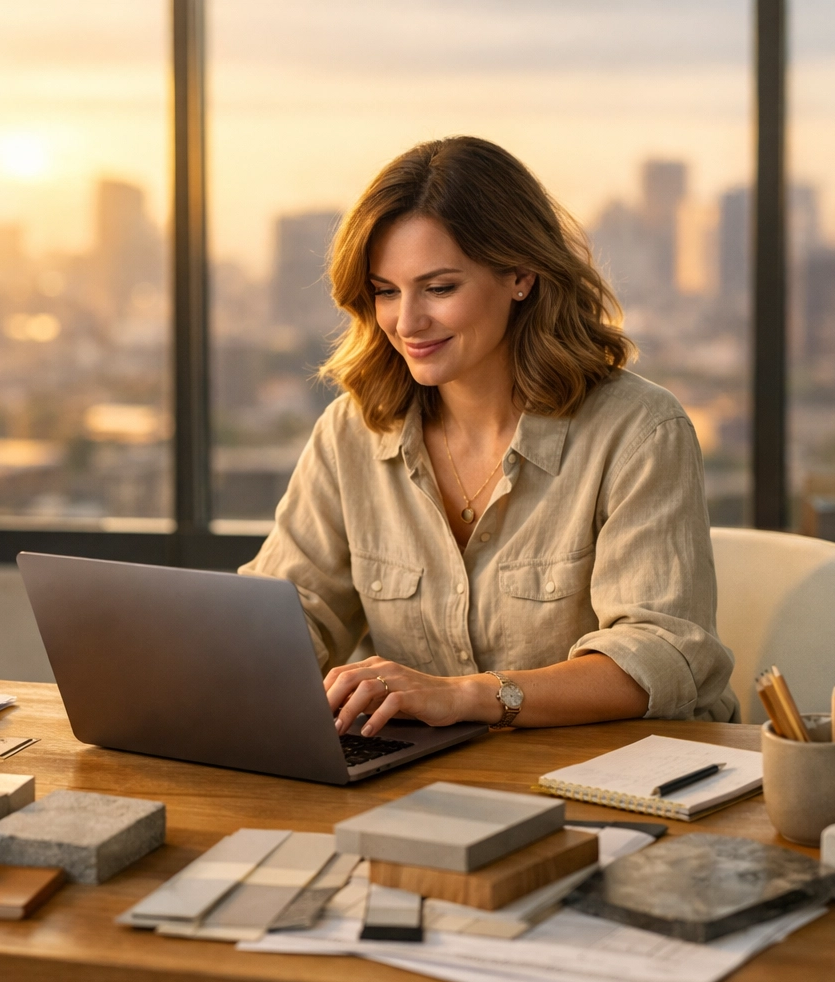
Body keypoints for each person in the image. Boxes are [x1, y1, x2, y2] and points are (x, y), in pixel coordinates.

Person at [239, 136, 736, 738]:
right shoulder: (351, 431)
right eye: (386, 291)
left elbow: (660, 654)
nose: (406, 320)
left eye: (440, 288)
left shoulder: (640, 431)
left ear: (521, 275)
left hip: (622, 779)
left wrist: (467, 696)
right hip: (432, 778)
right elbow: (289, 616)